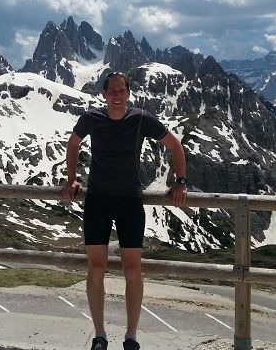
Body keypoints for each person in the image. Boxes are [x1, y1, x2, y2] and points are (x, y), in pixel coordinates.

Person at [62, 72, 187, 350]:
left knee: (133, 269)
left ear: (128, 93)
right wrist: (71, 178)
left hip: (130, 201)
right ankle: (99, 335)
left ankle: (131, 337)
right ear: (104, 94)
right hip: (97, 201)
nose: (117, 96)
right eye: (112, 92)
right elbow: (73, 144)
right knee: (96, 267)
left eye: (122, 91)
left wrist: (180, 182)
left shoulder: (141, 118)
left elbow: (175, 145)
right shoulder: (91, 118)